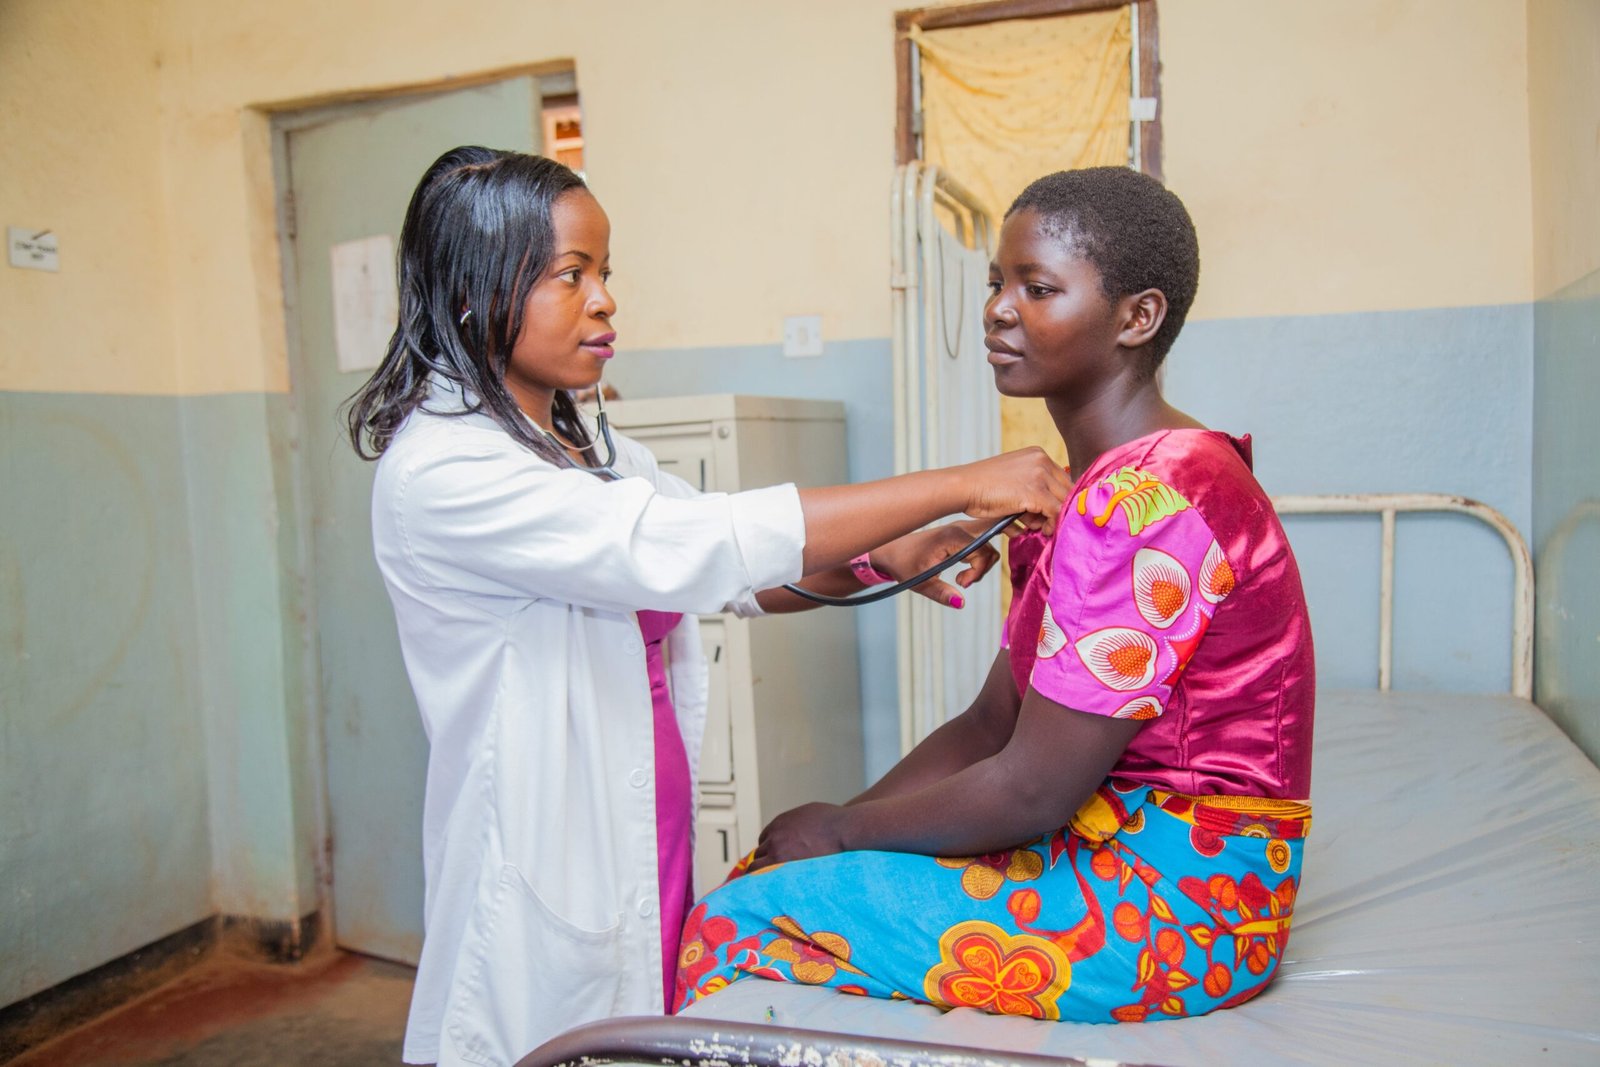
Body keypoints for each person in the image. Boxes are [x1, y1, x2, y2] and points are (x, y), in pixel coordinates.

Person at [345, 146, 1070, 1067]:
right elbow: (678, 546)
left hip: (648, 834)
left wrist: (877, 556)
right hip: (544, 865)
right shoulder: (446, 468)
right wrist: (961, 483)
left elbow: (720, 569)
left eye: (605, 273)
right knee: (546, 1043)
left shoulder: (583, 443)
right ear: (474, 292)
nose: (606, 299)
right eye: (572, 275)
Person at [675, 167, 1315, 1024]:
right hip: (1109, 848)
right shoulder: (1094, 490)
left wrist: (837, 834)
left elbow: (1032, 791)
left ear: (1138, 316)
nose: (998, 309)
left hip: (1185, 910)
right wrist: (828, 836)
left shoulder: (1149, 502)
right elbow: (990, 726)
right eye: (995, 282)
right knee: (777, 872)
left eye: (1037, 287)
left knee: (727, 923)